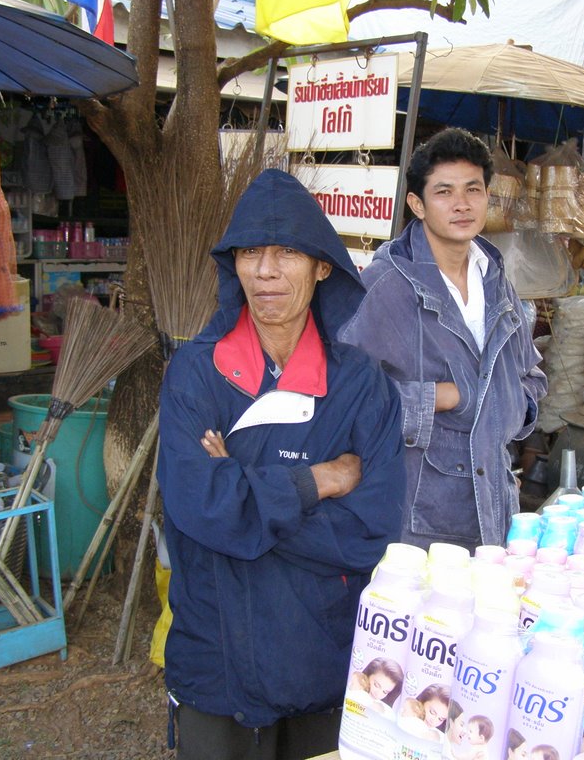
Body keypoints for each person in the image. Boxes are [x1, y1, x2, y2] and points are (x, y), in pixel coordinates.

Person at [158, 168, 406, 760]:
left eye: (288, 252)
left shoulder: (362, 386)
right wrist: (318, 480)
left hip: (321, 657)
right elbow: (196, 504)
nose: (265, 271)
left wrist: (240, 496)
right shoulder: (195, 374)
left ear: (323, 267)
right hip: (216, 660)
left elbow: (370, 531)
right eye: (250, 252)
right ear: (233, 265)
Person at [340, 128, 548, 551]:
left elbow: (530, 373)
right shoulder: (388, 286)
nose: (462, 204)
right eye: (444, 191)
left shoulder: (495, 278)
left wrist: (515, 405)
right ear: (417, 204)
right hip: (421, 518)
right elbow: (342, 398)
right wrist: (440, 398)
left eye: (473, 189)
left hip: (495, 508)